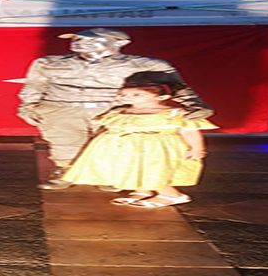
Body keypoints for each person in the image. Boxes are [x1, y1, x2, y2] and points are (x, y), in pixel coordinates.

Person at [16, 27, 213, 190]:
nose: (79, 43)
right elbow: (35, 85)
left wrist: (195, 105)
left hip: (111, 110)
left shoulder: (146, 64)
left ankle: (109, 175)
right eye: (76, 39)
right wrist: (28, 106)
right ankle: (66, 171)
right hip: (60, 107)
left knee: (110, 145)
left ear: (118, 43)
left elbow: (176, 86)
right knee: (64, 142)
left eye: (91, 40)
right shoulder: (48, 62)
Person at [60, 79, 218, 208]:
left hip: (155, 148)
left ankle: (171, 195)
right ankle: (142, 190)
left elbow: (189, 131)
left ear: (161, 97)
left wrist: (197, 148)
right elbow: (106, 126)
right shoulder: (119, 111)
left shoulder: (173, 114)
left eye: (137, 95)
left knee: (153, 169)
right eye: (123, 94)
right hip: (123, 147)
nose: (127, 98)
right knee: (132, 167)